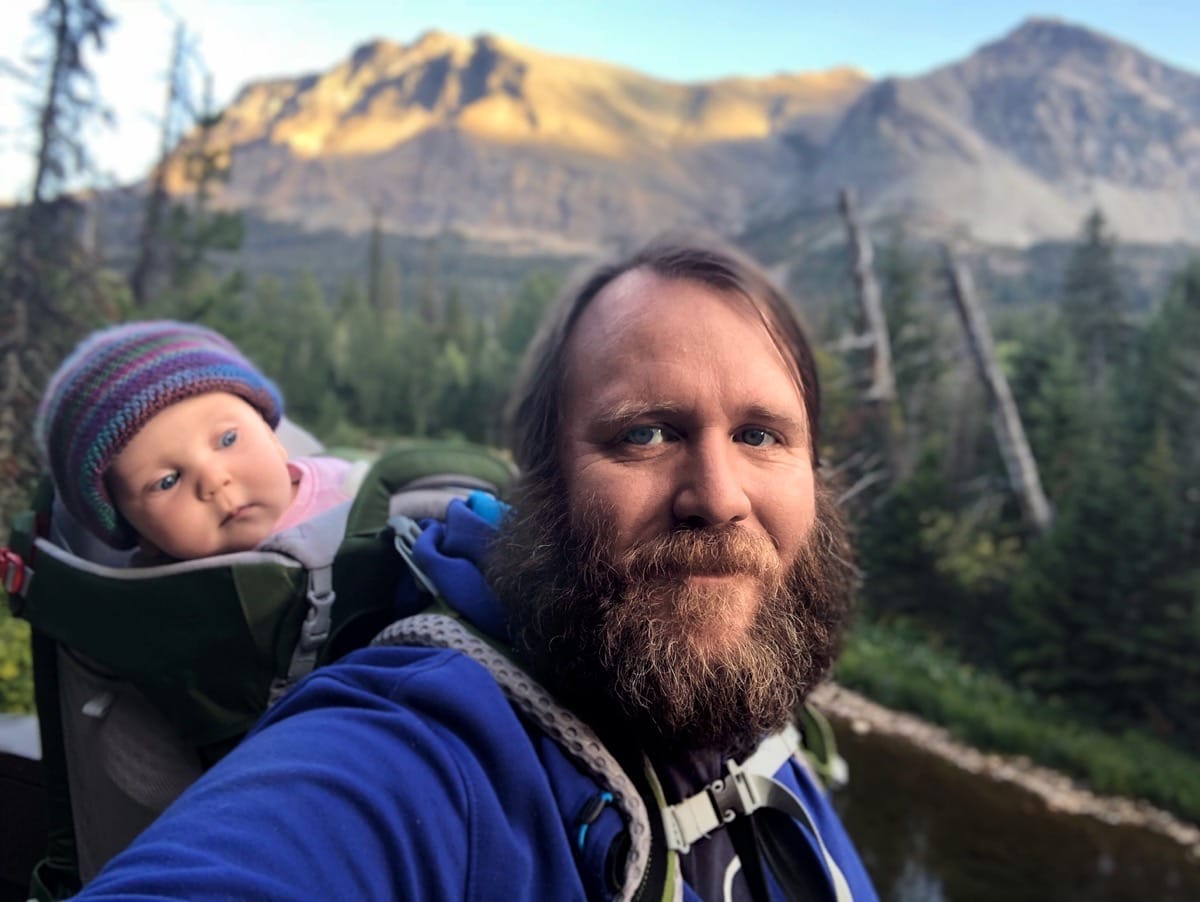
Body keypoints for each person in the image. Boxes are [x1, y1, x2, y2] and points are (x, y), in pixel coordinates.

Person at [75, 239, 878, 900]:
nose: (719, 497)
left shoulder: (767, 723)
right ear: (540, 482)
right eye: (645, 434)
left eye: (763, 435)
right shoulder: (425, 745)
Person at [34, 320, 355, 563]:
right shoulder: (158, 603)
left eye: (228, 439)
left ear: (273, 439)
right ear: (139, 533)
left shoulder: (348, 492)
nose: (214, 481)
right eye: (167, 481)